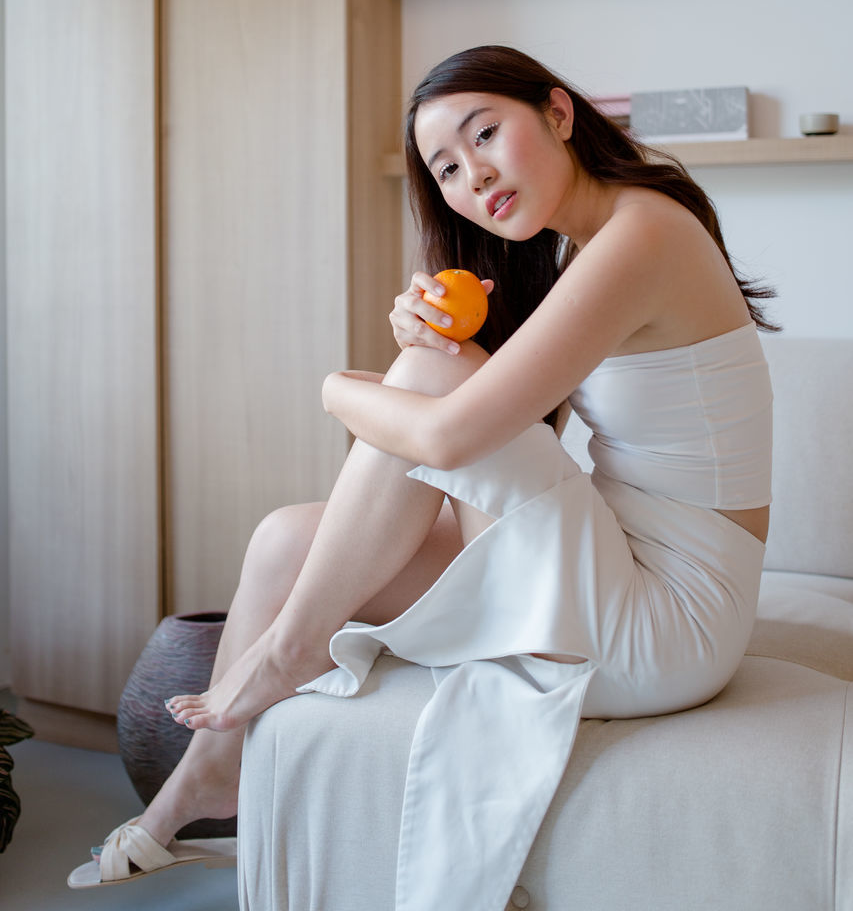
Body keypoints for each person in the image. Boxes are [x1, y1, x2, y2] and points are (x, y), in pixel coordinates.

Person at [69, 45, 775, 906]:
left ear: (558, 113)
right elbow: (495, 432)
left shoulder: (643, 232)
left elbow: (448, 439)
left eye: (485, 135)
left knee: (426, 387)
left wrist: (340, 386)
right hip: (621, 564)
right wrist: (432, 351)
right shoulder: (579, 248)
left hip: (674, 622)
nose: (472, 176)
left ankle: (285, 654)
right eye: (445, 167)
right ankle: (213, 776)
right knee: (286, 538)